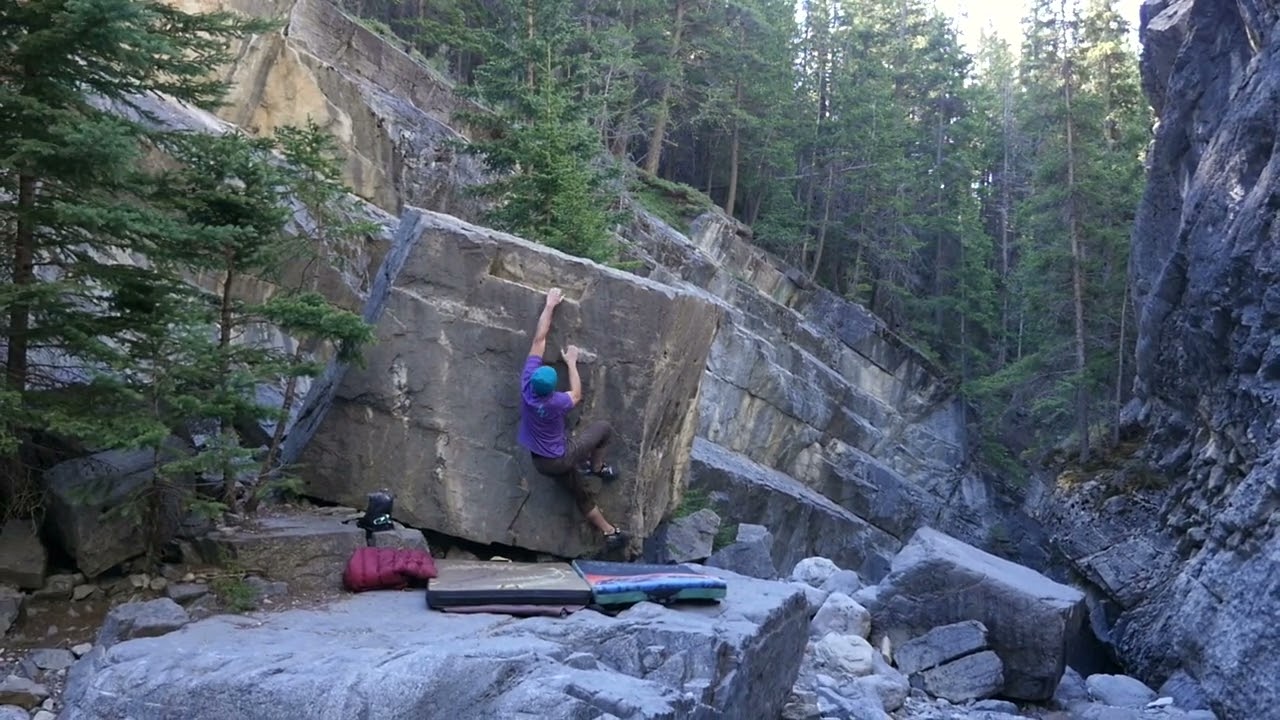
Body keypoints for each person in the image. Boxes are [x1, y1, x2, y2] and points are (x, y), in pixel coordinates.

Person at [517, 288, 629, 550]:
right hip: (561, 457)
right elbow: (577, 395)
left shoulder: (526, 387)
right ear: (553, 388)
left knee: (579, 491)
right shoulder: (556, 402)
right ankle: (597, 467)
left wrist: (549, 305)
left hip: (540, 461)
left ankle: (609, 532)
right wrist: (571, 362)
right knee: (603, 429)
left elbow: (539, 339)